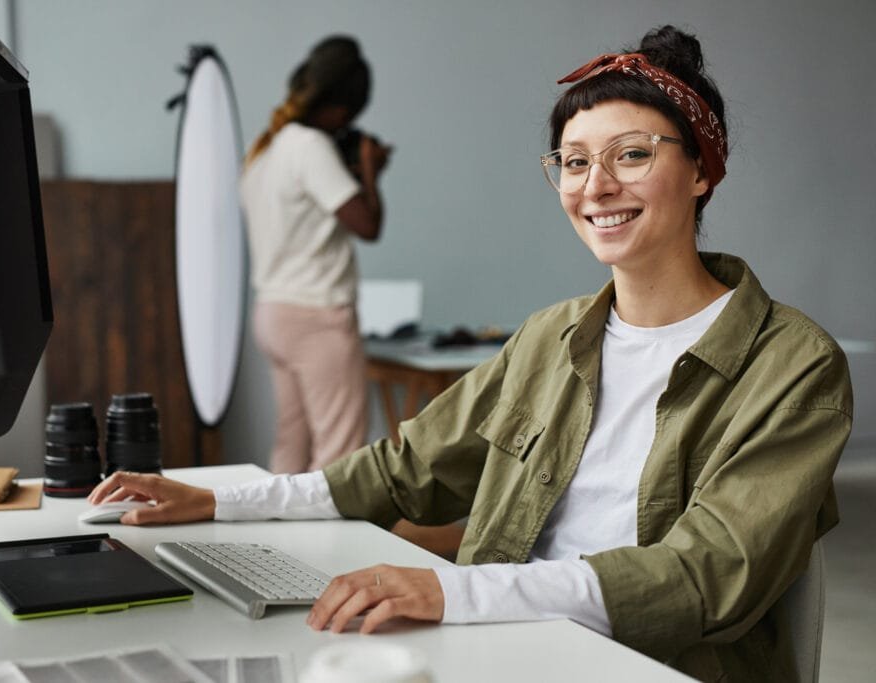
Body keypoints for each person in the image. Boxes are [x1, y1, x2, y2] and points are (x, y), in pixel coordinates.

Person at [90, 26, 852, 681]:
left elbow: (705, 577)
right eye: (574, 160)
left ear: (703, 169)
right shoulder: (549, 337)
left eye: (631, 154)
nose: (596, 185)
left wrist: (450, 592)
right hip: (510, 650)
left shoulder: (794, 365)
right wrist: (218, 498)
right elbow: (399, 470)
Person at [240, 35, 391, 474]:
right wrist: (370, 173)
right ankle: (331, 545)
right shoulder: (311, 147)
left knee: (292, 439)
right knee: (339, 455)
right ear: (346, 110)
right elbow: (368, 225)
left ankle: (276, 544)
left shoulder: (265, 147)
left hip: (272, 313)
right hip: (316, 318)